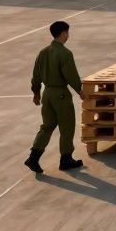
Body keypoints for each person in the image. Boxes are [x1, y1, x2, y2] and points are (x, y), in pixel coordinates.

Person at [25, 20, 84, 173]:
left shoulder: (43, 52)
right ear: (63, 33)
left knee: (47, 126)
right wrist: (80, 91)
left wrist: (36, 93)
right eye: (67, 32)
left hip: (47, 94)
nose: (68, 35)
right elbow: (71, 75)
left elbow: (35, 75)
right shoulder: (65, 53)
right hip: (61, 94)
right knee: (67, 126)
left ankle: (33, 158)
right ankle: (66, 159)